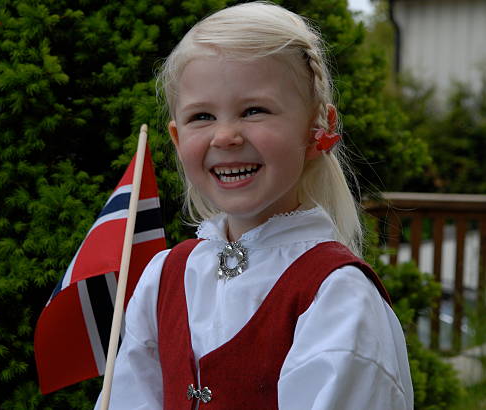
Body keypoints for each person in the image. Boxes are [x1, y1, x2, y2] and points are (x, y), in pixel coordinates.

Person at [96, 1, 413, 408]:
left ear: (317, 128)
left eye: (254, 110)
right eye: (202, 116)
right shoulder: (165, 276)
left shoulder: (336, 296)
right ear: (177, 139)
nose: (225, 136)